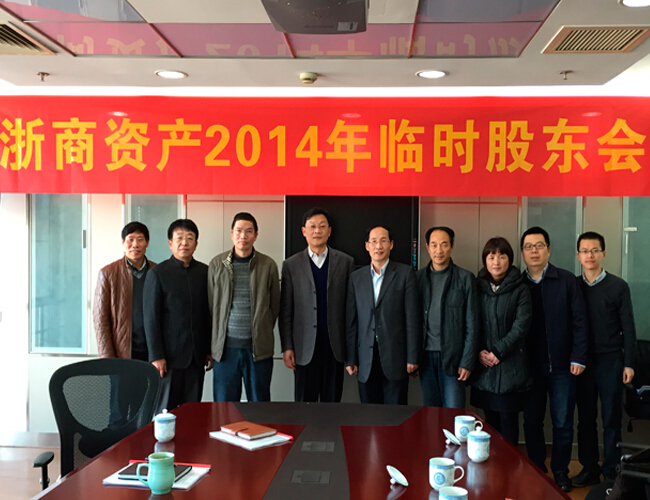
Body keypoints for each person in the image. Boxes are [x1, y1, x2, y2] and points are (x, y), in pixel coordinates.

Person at [520, 226, 588, 493]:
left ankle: (560, 471)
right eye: (529, 247)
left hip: (563, 366)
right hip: (529, 368)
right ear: (523, 253)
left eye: (539, 246)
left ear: (548, 250)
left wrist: (578, 357)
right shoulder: (518, 284)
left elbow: (580, 321)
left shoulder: (566, 280)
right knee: (532, 421)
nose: (534, 251)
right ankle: (537, 467)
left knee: (562, 423)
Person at [571, 231, 637, 488]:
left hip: (611, 361)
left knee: (611, 419)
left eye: (595, 250)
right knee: (585, 419)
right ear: (578, 255)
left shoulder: (618, 286)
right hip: (582, 363)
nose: (590, 255)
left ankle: (611, 472)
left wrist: (629, 363)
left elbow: (628, 327)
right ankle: (589, 468)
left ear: (604, 254)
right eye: (585, 251)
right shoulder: (573, 286)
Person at [279, 207, 355, 402]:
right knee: (305, 407)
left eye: (322, 226)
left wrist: (351, 350)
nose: (317, 231)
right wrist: (287, 346)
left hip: (335, 348)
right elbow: (286, 310)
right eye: (312, 226)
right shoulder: (291, 265)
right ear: (304, 231)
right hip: (303, 349)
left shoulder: (345, 262)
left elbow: (351, 310)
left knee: (332, 406)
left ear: (329, 231)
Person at [208, 212, 280, 402]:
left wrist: (261, 329)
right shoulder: (217, 264)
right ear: (232, 234)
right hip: (225, 350)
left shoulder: (268, 265)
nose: (243, 236)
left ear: (256, 235)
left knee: (259, 404)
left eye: (249, 231)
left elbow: (274, 306)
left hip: (258, 350)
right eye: (239, 231)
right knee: (224, 406)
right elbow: (211, 306)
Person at [345, 225, 421, 405]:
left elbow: (412, 319)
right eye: (373, 241)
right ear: (367, 246)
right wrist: (351, 358)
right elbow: (351, 322)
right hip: (365, 358)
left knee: (395, 414)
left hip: (396, 357)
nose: (378, 246)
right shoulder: (356, 278)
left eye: (383, 241)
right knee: (369, 413)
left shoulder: (405, 274)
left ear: (391, 244)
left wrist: (412, 357)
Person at [144, 219, 213, 411]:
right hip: (168, 360)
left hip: (196, 358)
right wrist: (156, 355)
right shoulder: (157, 274)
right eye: (179, 238)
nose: (184, 243)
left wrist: (208, 349)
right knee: (166, 412)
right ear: (170, 243)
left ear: (196, 244)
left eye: (190, 238)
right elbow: (151, 318)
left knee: (192, 411)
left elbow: (208, 314)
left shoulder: (205, 272)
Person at [470, 237, 532, 446]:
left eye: (502, 256)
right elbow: (470, 322)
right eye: (491, 257)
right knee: (489, 425)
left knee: (508, 424)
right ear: (485, 260)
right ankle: (491, 464)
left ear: (510, 259)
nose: (496, 262)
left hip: (510, 368)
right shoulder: (476, 287)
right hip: (484, 369)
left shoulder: (521, 289)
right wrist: (478, 350)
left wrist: (498, 352)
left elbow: (521, 326)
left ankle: (509, 465)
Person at [416, 226, 478, 408]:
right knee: (430, 412)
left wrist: (467, 361)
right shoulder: (417, 278)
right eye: (434, 245)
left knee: (454, 413)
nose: (439, 250)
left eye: (444, 244)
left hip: (453, 358)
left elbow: (472, 324)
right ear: (427, 247)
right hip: (425, 357)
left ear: (451, 247)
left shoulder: (465, 278)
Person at [94, 221, 155, 362]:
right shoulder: (107, 273)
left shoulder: (157, 272)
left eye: (140, 239)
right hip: (121, 352)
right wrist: (108, 359)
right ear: (123, 243)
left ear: (147, 243)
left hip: (152, 352)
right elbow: (101, 320)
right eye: (130, 240)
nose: (135, 245)